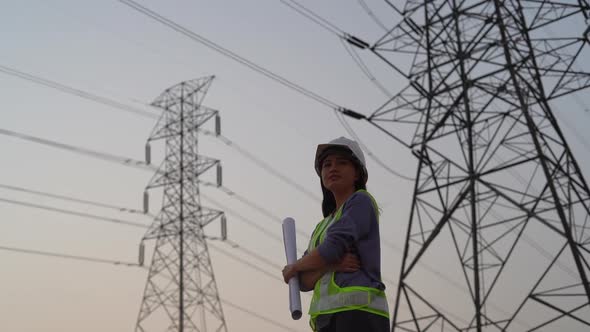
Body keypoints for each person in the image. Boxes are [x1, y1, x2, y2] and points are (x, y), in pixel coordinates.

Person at [282, 137, 389, 332]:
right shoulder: (322, 226)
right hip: (328, 320)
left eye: (342, 163)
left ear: (357, 172)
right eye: (327, 164)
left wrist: (295, 266)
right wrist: (329, 266)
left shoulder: (361, 202)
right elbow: (303, 281)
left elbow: (331, 248)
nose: (333, 168)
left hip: (359, 315)